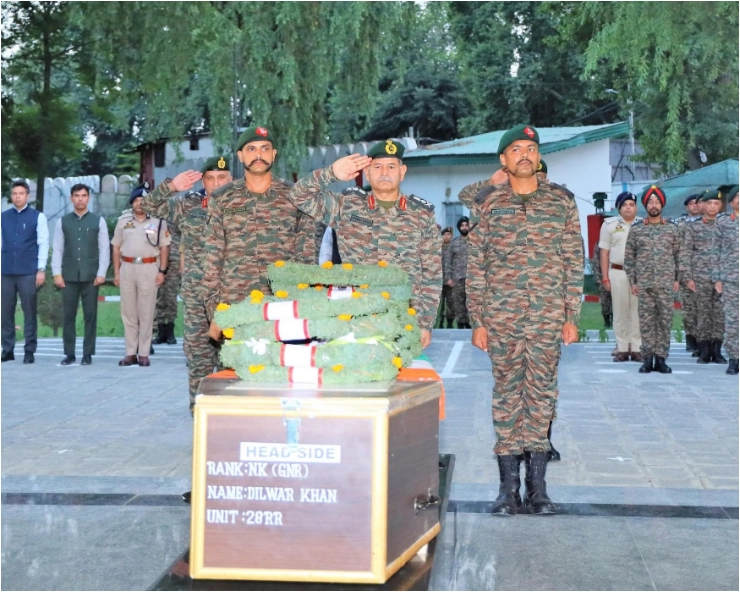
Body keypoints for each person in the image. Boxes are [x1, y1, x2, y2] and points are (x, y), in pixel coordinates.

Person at [465, 124, 583, 515]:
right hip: (501, 318)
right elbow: (477, 265)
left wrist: (571, 315)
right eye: (516, 149)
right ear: (504, 161)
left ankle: (538, 489)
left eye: (530, 148)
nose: (524, 155)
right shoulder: (489, 204)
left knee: (541, 396)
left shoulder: (562, 203)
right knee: (506, 398)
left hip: (548, 317)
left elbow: (571, 261)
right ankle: (506, 489)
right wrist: (478, 320)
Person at [287, 139, 442, 348]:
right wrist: (331, 173)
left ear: (402, 171)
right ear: (367, 173)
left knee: (402, 378)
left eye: (391, 166)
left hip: (402, 317)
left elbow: (432, 273)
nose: (384, 172)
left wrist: (425, 323)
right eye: (377, 167)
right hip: (355, 316)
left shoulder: (422, 214)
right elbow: (298, 195)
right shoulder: (347, 206)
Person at [204, 126, 318, 339]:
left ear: (274, 154)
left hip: (283, 303)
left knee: (283, 367)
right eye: (251, 149)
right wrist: (215, 312)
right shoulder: (222, 198)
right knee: (234, 369)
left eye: (265, 148)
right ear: (240, 156)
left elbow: (307, 256)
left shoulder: (295, 196)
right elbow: (212, 258)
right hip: (235, 304)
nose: (258, 155)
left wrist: (304, 303)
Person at [141, 156, 232, 409]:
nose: (216, 183)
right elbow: (148, 205)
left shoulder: (244, 206)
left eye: (221, 178)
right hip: (197, 300)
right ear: (203, 181)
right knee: (198, 361)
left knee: (232, 363)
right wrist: (171, 186)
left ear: (231, 180)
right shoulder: (188, 206)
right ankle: (200, 415)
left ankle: (229, 419)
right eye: (210, 179)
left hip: (233, 298)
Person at [111, 184, 171, 366]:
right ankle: (130, 352)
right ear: (132, 203)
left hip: (149, 268)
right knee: (128, 312)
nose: (140, 203)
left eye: (143, 200)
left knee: (146, 312)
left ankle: (144, 353)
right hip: (127, 267)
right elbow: (116, 247)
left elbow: (165, 247)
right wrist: (116, 272)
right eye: (137, 200)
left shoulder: (158, 222)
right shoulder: (123, 221)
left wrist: (162, 271)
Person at [623, 186, 680, 374]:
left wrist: (677, 279)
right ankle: (647, 358)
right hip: (645, 284)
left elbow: (679, 255)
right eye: (650, 202)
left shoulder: (672, 229)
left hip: (665, 283)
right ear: (645, 205)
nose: (653, 205)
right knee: (646, 322)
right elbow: (629, 257)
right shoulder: (637, 230)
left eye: (657, 202)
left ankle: (661, 358)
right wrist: (634, 281)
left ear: (662, 204)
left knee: (664, 322)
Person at [51, 184, 110, 366]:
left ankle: (87, 353)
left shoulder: (98, 221)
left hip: (91, 277)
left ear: (88, 198)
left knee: (90, 315)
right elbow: (58, 249)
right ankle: (69, 353)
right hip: (68, 276)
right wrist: (56, 274)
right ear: (71, 198)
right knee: (68, 316)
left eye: (84, 196)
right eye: (77, 196)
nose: (80, 199)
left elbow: (104, 249)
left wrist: (101, 273)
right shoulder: (63, 222)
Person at [1, 180, 49, 364]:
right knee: (6, 312)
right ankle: (7, 349)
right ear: (11, 196)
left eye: (21, 193)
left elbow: (43, 243)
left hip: (29, 271)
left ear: (27, 196)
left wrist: (41, 269)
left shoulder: (38, 217)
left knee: (29, 311)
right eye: (14, 193)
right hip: (6, 271)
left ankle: (29, 350)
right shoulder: (3, 217)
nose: (17, 196)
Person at [682, 191, 726, 364]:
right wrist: (688, 277)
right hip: (700, 276)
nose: (713, 207)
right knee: (702, 313)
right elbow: (686, 253)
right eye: (709, 203)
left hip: (722, 276)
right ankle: (704, 349)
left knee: (719, 314)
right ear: (703, 205)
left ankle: (717, 349)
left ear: (720, 206)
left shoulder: (726, 225)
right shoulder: (694, 227)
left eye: (716, 203)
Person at [599, 192, 642, 362]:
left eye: (631, 204)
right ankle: (623, 348)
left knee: (637, 311)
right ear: (619, 207)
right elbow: (604, 253)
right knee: (620, 310)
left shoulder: (642, 224)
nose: (628, 208)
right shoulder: (609, 225)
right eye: (625, 205)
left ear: (636, 207)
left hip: (638, 273)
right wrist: (605, 278)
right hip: (617, 271)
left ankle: (637, 348)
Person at [713, 186, 739, 375]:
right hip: (731, 280)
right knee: (732, 321)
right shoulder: (723, 223)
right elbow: (715, 252)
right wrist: (717, 278)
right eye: (736, 196)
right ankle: (734, 358)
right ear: (731, 202)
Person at [674, 194, 701, 354]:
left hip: (703, 272)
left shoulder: (709, 223)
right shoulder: (679, 225)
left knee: (703, 309)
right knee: (689, 309)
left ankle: (703, 340)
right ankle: (691, 339)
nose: (695, 206)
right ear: (687, 207)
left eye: (697, 203)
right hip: (685, 272)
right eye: (691, 204)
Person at [152, 218, 181, 346]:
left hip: (174, 260)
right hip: (156, 259)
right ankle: (160, 330)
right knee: (158, 297)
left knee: (170, 296)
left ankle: (170, 330)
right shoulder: (153, 218)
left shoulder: (177, 214)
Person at [448, 217, 471, 329]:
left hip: (473, 277)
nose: (464, 227)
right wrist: (449, 278)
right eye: (462, 225)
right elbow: (448, 261)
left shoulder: (475, 242)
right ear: (459, 228)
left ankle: (471, 323)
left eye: (466, 225)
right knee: (458, 302)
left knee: (472, 302)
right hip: (457, 277)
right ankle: (461, 323)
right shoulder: (454, 243)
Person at [591, 243, 613, 328]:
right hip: (602, 277)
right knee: (605, 302)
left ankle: (616, 322)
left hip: (616, 275)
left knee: (617, 303)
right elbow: (596, 262)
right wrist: (598, 279)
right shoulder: (599, 244)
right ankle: (607, 322)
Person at [440, 227, 455, 328]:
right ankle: (439, 321)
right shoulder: (438, 247)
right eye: (444, 234)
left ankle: (450, 321)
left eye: (448, 234)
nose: (446, 236)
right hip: (439, 280)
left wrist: (453, 278)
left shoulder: (454, 248)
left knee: (451, 302)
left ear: (451, 236)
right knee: (439, 303)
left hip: (450, 280)